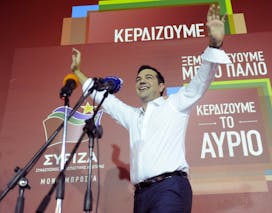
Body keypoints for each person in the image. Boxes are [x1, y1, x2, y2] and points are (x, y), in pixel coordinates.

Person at [71, 3, 231, 213]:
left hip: (170, 189)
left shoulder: (174, 104)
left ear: (162, 86)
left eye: (148, 77)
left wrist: (214, 45)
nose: (142, 81)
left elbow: (200, 82)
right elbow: (106, 101)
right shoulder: (133, 117)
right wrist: (78, 72)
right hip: (141, 195)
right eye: (138, 79)